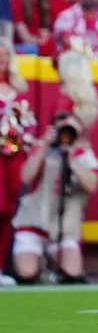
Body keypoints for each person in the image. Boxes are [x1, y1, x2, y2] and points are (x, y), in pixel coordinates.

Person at [11, 51, 98, 284]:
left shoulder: (82, 151)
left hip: (64, 221)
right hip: (36, 217)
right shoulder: (45, 144)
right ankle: (39, 262)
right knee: (26, 272)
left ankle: (56, 260)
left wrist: (70, 156)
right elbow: (26, 177)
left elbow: (92, 184)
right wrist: (44, 146)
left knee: (72, 272)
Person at [0, 38, 34, 286]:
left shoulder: (19, 89)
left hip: (14, 156)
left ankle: (0, 268)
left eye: (4, 55)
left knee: (9, 211)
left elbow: (29, 123)